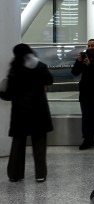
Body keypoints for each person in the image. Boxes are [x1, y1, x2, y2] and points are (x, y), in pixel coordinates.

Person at [3, 43, 53, 183]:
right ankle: (40, 175)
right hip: (39, 111)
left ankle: (15, 174)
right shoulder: (40, 66)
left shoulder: (15, 69)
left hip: (21, 111)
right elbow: (50, 80)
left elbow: (9, 94)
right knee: (39, 145)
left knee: (18, 143)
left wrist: (2, 92)